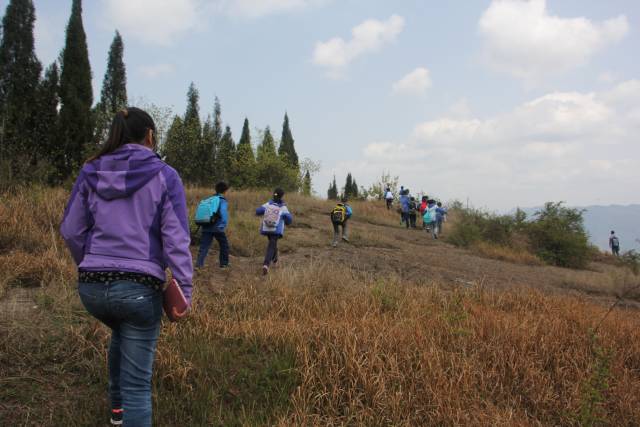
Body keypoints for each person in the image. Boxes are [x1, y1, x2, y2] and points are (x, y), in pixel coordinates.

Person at [60, 108, 193, 426]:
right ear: (150, 135)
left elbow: (71, 230)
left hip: (92, 289)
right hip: (138, 291)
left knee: (122, 332)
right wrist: (184, 290)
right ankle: (124, 409)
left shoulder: (90, 170)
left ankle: (117, 413)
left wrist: (90, 264)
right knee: (138, 388)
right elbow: (176, 239)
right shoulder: (165, 175)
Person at [256, 188, 293, 275]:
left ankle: (275, 259)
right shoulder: (283, 207)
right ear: (282, 196)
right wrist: (287, 222)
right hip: (276, 230)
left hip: (266, 228)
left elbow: (258, 211)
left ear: (273, 194)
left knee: (272, 243)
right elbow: (289, 219)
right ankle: (266, 264)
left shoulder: (268, 204)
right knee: (271, 245)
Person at [195, 181, 230, 269]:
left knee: (204, 246)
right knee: (224, 245)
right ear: (225, 191)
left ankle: (199, 265)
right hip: (217, 227)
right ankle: (224, 264)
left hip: (206, 225)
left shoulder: (209, 199)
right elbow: (223, 213)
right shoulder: (221, 200)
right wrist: (223, 225)